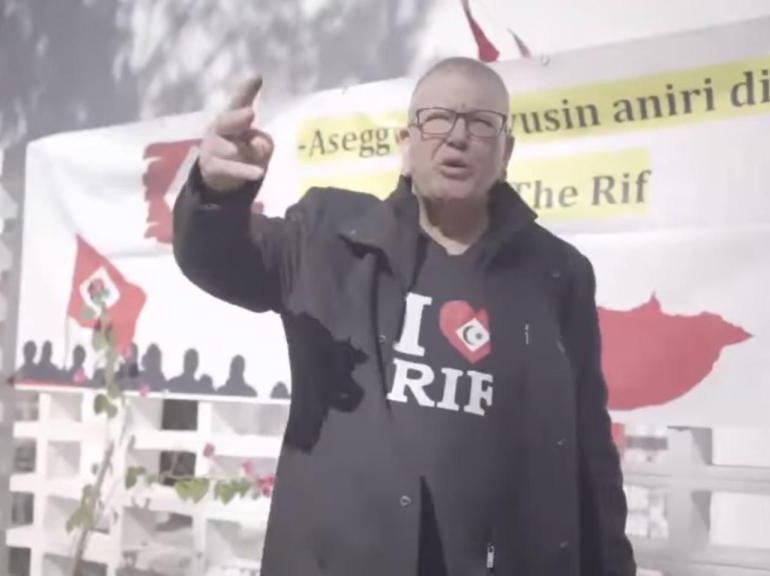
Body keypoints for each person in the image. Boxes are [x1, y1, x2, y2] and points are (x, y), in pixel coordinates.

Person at [173, 58, 635, 576]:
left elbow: (589, 451)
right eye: (438, 119)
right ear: (406, 145)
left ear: (506, 153)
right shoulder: (329, 237)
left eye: (481, 123)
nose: (457, 137)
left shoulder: (557, 274)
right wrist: (216, 196)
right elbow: (217, 261)